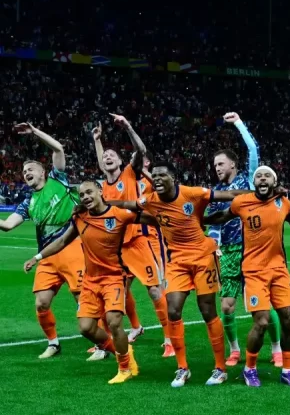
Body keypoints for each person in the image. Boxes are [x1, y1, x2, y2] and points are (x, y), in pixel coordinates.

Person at [111, 162, 246, 387]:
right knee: (173, 310)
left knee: (207, 310)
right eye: (154, 176)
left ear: (174, 178)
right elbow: (127, 204)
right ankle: (182, 368)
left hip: (203, 257)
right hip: (177, 261)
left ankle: (220, 368)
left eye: (162, 175)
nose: (157, 179)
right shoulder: (150, 200)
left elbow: (229, 194)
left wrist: (262, 193)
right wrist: (102, 203)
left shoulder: (192, 193)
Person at [23, 182, 156, 383]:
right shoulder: (80, 218)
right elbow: (61, 242)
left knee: (113, 321)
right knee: (86, 328)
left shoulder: (120, 214)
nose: (85, 196)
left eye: (89, 192)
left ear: (100, 192)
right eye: (82, 194)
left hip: (114, 278)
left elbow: (152, 219)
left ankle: (124, 367)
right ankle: (124, 350)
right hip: (90, 281)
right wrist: (38, 257)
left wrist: (177, 224)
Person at [204, 166, 290, 387]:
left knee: (289, 318)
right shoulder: (242, 202)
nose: (262, 178)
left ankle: (287, 369)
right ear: (254, 182)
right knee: (261, 321)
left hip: (279, 270)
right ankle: (249, 368)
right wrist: (198, 220)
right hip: (254, 271)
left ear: (274, 181)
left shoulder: (284, 203)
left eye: (267, 175)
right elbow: (222, 216)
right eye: (258, 176)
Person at [0, 123, 83, 359]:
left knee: (82, 299)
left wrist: (35, 132)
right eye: (24, 171)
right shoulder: (28, 202)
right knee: (41, 304)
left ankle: (100, 343)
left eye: (31, 169)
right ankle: (53, 343)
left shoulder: (58, 179)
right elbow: (7, 225)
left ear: (43, 172)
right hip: (46, 255)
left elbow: (58, 149)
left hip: (71, 247)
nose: (26, 173)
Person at [205, 112, 281, 367]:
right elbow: (212, 222)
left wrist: (237, 122)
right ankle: (235, 349)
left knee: (263, 306)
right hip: (226, 253)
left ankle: (276, 348)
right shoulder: (216, 193)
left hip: (252, 252)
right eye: (215, 165)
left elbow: (252, 148)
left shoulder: (246, 181)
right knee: (226, 306)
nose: (217, 168)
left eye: (221, 164)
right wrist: (212, 244)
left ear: (233, 166)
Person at [93, 115, 171, 357]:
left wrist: (127, 126)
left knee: (154, 290)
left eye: (111, 155)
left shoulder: (129, 172)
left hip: (138, 240)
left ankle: (170, 338)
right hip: (115, 246)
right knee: (120, 291)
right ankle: (133, 328)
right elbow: (101, 162)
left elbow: (141, 149)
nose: (107, 157)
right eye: (104, 156)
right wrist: (97, 140)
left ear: (121, 161)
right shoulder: (103, 185)